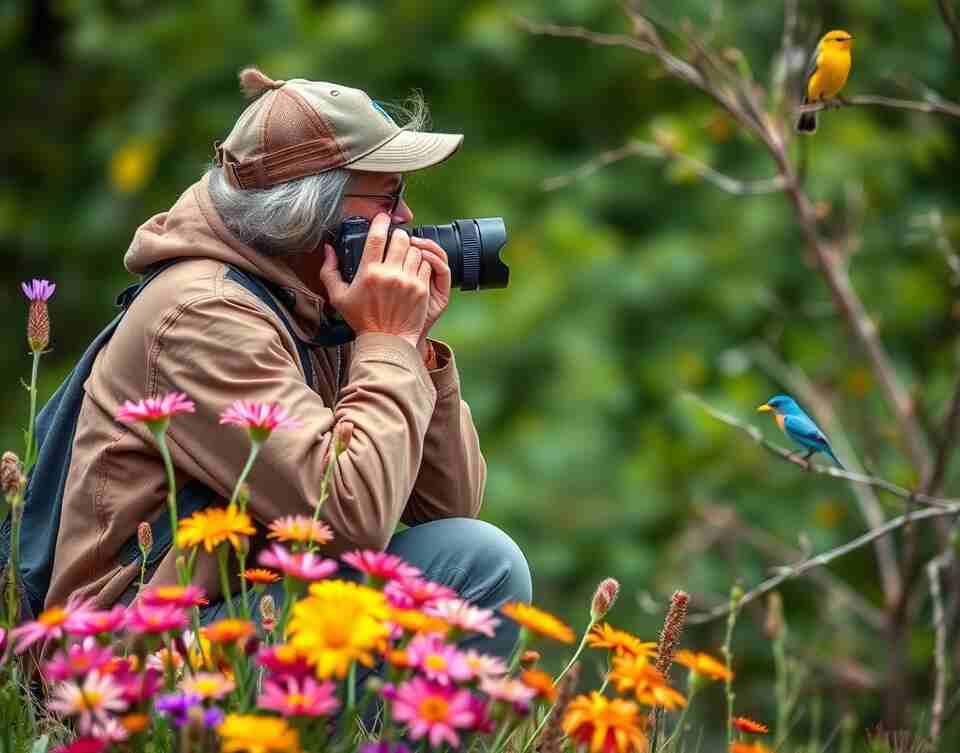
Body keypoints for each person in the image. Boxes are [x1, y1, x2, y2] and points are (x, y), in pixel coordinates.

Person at [47, 67, 532, 660]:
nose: (405, 220)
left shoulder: (316, 298)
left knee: (468, 552)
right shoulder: (204, 315)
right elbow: (350, 517)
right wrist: (386, 340)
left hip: (242, 606)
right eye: (389, 197)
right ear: (311, 214)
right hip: (139, 654)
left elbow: (447, 508)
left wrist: (415, 347)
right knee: (481, 565)